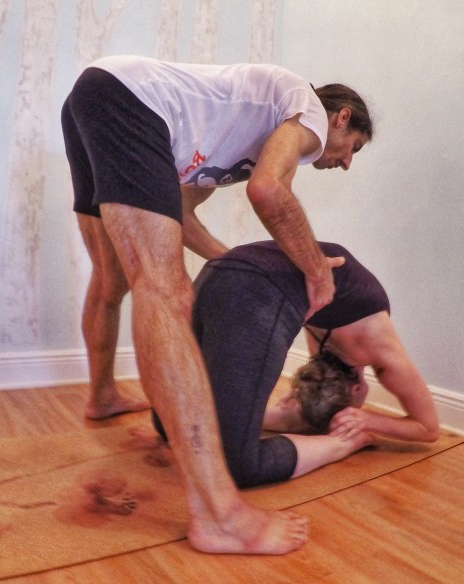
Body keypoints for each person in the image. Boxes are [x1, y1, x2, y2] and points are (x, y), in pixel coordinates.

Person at [61, 55, 372, 554]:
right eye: (353, 146)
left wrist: (231, 259)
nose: (347, 162)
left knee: (113, 278)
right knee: (165, 291)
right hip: (129, 98)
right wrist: (316, 270)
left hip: (95, 95)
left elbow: (180, 212)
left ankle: (102, 397)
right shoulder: (310, 110)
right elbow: (269, 191)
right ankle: (217, 514)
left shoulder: (231, 136)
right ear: (341, 118)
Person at [154, 241, 439, 488]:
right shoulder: (382, 350)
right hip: (250, 285)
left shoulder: (325, 346)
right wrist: (364, 423)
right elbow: (428, 429)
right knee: (236, 465)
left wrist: (302, 403)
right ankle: (342, 444)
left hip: (220, 271)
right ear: (354, 390)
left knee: (170, 423)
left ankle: (280, 423)